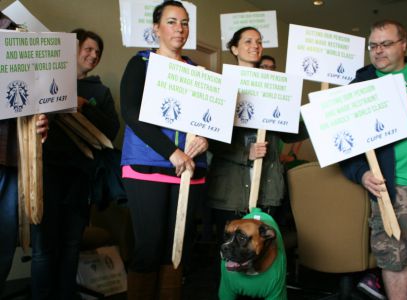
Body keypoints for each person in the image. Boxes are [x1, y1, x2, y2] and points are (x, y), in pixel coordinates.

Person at [341, 20, 407, 300]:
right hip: (392, 190)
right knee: (394, 260)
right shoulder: (359, 87)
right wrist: (361, 173)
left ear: (403, 44)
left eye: (386, 44)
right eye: (373, 45)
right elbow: (343, 144)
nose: (378, 51)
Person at [120, 1, 208, 299]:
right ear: (156, 28)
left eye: (184, 23)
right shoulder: (141, 63)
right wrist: (172, 152)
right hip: (147, 167)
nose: (179, 29)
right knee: (149, 246)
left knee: (178, 248)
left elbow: (213, 121)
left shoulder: (198, 71)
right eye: (172, 22)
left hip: (190, 170)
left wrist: (207, 139)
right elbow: (131, 112)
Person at [31, 29, 119, 299]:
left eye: (97, 52)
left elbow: (112, 130)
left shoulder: (100, 92)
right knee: (44, 248)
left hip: (81, 177)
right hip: (46, 172)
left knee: (71, 244)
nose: (93, 55)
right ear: (71, 48)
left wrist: (86, 106)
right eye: (88, 49)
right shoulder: (44, 79)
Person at [207, 26, 308, 252]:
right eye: (248, 41)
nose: (255, 46)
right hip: (231, 189)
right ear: (234, 48)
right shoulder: (223, 85)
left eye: (259, 42)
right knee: (231, 252)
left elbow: (289, 132)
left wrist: (318, 118)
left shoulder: (274, 87)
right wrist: (246, 153)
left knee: (265, 252)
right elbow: (209, 137)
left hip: (267, 185)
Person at [0, 11, 49, 295]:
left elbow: (34, 94)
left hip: (10, 158)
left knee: (5, 245)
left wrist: (39, 121)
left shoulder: (19, 34)